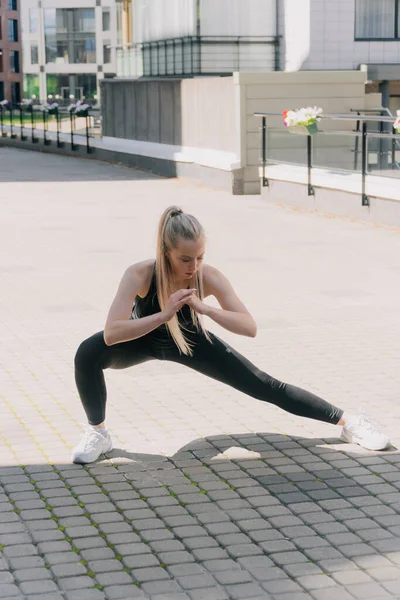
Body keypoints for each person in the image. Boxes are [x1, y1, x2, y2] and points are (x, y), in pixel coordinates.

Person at [72, 206, 390, 463]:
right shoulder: (140, 274)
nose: (193, 266)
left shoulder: (206, 277)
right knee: (87, 354)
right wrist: (164, 314)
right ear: (166, 251)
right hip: (143, 339)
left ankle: (349, 422)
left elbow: (248, 326)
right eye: (185, 259)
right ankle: (98, 432)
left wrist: (208, 310)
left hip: (191, 344)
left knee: (263, 385)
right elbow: (113, 332)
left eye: (199, 257)